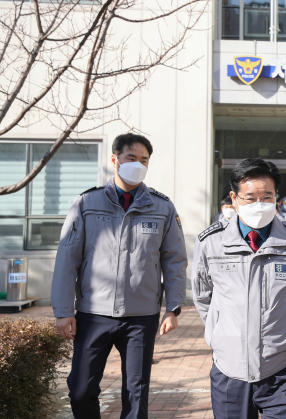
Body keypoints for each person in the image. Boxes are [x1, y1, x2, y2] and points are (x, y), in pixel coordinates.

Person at [51, 133, 187, 419]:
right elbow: (67, 259)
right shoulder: (87, 203)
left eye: (144, 160)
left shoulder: (162, 207)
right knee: (80, 389)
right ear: (115, 159)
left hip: (141, 316)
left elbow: (174, 260)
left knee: (136, 393)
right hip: (93, 313)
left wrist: (173, 308)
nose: (138, 164)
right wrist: (63, 311)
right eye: (131, 158)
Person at [191, 158, 286, 419]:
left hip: (282, 367)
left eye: (267, 196)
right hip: (229, 369)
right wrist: (219, 333)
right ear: (234, 199)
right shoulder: (210, 243)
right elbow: (203, 296)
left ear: (276, 198)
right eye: (250, 198)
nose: (259, 204)